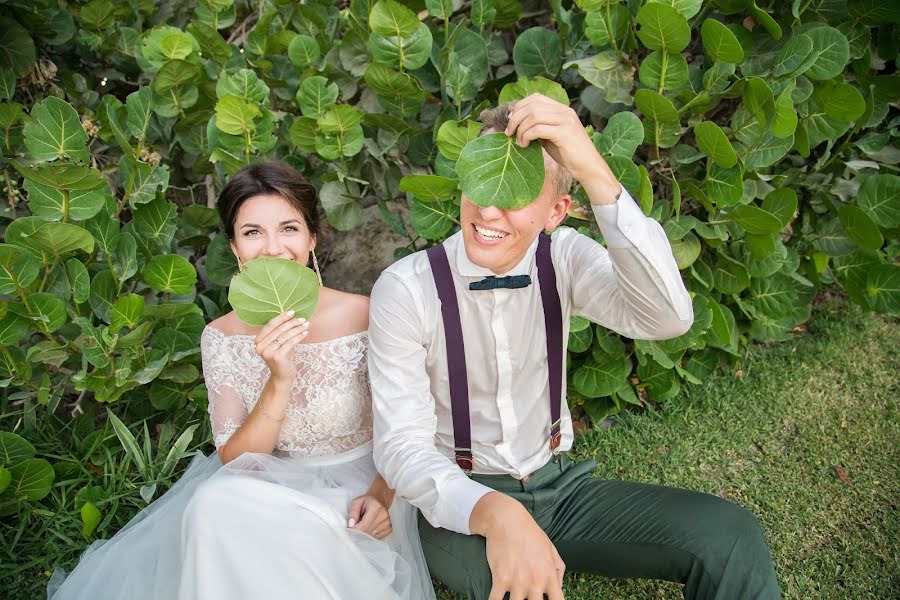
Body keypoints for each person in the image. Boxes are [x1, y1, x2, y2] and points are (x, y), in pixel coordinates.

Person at [368, 94, 781, 600]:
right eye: (480, 182)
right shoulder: (406, 287)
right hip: (459, 504)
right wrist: (499, 515)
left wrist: (591, 167)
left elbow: (667, 318)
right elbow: (402, 448)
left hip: (560, 488)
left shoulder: (563, 256)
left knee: (729, 536)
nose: (489, 208)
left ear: (556, 211)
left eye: (516, 191)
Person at [48, 160, 434, 600]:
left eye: (288, 228)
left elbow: (410, 421)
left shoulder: (366, 313)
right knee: (213, 504)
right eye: (253, 233)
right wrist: (279, 379)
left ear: (311, 238)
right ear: (234, 247)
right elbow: (239, 464)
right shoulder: (222, 336)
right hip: (272, 488)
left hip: (367, 485)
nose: (272, 248)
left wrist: (382, 496)